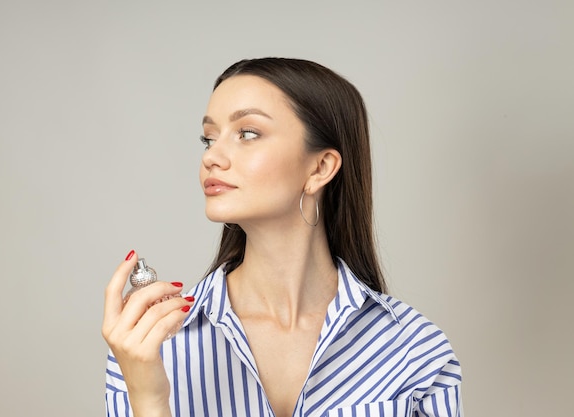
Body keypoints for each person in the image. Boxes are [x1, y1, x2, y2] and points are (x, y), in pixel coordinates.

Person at [102, 58, 463, 417]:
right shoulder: (147, 343)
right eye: (208, 138)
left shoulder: (414, 348)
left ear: (320, 167)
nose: (212, 156)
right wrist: (148, 400)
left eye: (247, 133)